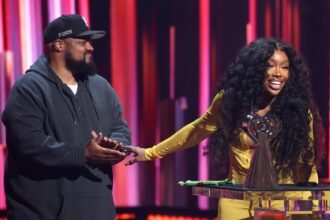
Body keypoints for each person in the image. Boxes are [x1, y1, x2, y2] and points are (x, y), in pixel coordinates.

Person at [125, 38, 325, 219]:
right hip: (237, 201)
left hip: (281, 200)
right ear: (255, 69)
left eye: (284, 67)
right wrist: (151, 152)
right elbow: (197, 130)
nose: (278, 74)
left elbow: (306, 163)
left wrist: (311, 208)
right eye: (270, 66)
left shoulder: (298, 110)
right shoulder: (229, 101)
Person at [2, 14, 131, 220]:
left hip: (98, 213)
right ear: (59, 45)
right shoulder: (28, 89)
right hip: (43, 214)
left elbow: (120, 129)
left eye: (90, 41)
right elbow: (28, 144)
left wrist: (116, 146)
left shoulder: (102, 87)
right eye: (82, 41)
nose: (91, 47)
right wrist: (83, 155)